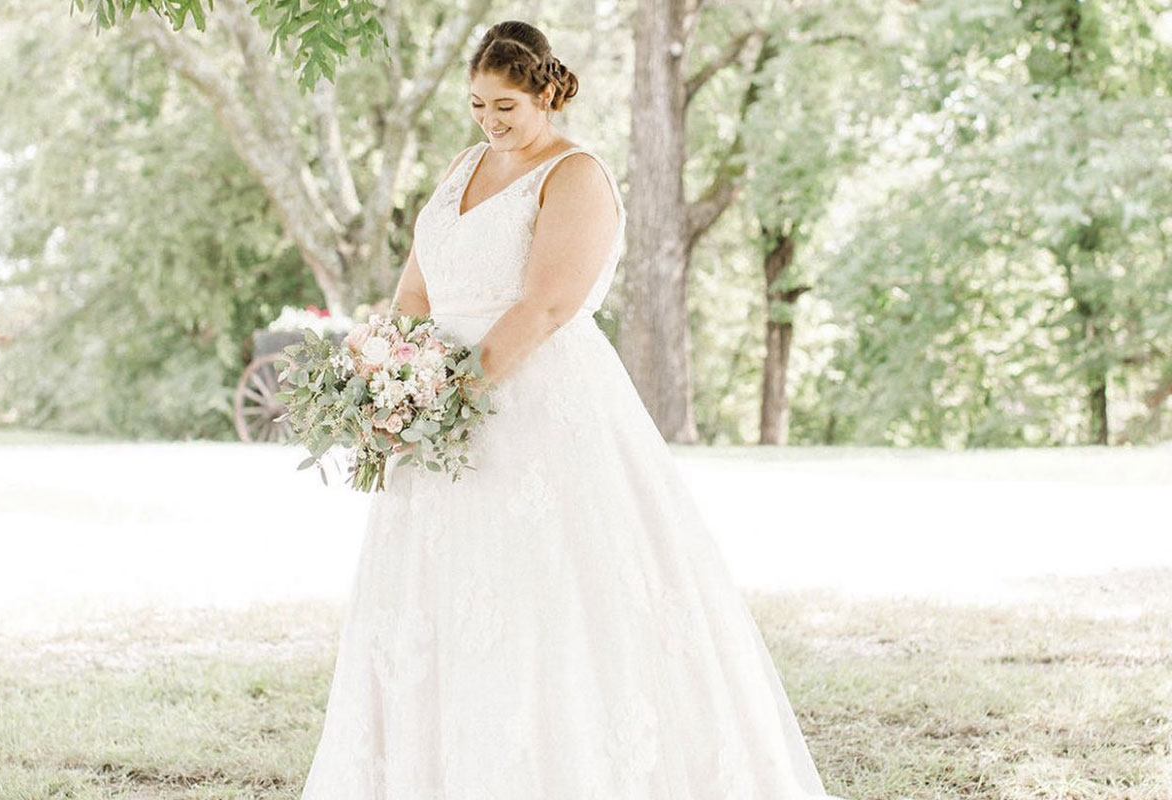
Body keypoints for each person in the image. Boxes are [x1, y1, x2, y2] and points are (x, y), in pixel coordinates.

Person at [298, 19, 847, 800]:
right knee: (437, 599)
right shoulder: (462, 167)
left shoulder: (575, 174)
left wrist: (449, 395)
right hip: (431, 412)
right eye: (477, 104)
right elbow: (418, 287)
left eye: (506, 106)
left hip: (532, 404)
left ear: (547, 95)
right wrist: (388, 376)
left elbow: (547, 305)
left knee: (545, 597)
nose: (490, 121)